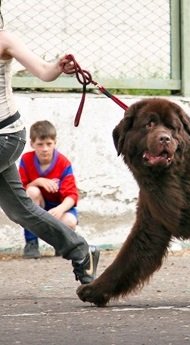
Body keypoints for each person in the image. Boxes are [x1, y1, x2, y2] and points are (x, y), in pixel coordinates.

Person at [0, 10, 99, 284]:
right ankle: (81, 251)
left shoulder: (4, 39)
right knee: (21, 210)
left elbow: (44, 71)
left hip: (5, 135)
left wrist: (58, 67)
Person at [19, 120, 79, 259]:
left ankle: (61, 245)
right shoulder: (26, 160)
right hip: (38, 206)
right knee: (32, 192)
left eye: (49, 144)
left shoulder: (63, 163)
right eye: (40, 144)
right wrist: (37, 182)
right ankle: (31, 243)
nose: (45, 149)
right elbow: (21, 191)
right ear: (32, 144)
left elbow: (72, 195)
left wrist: (60, 209)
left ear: (55, 143)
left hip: (57, 208)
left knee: (70, 221)